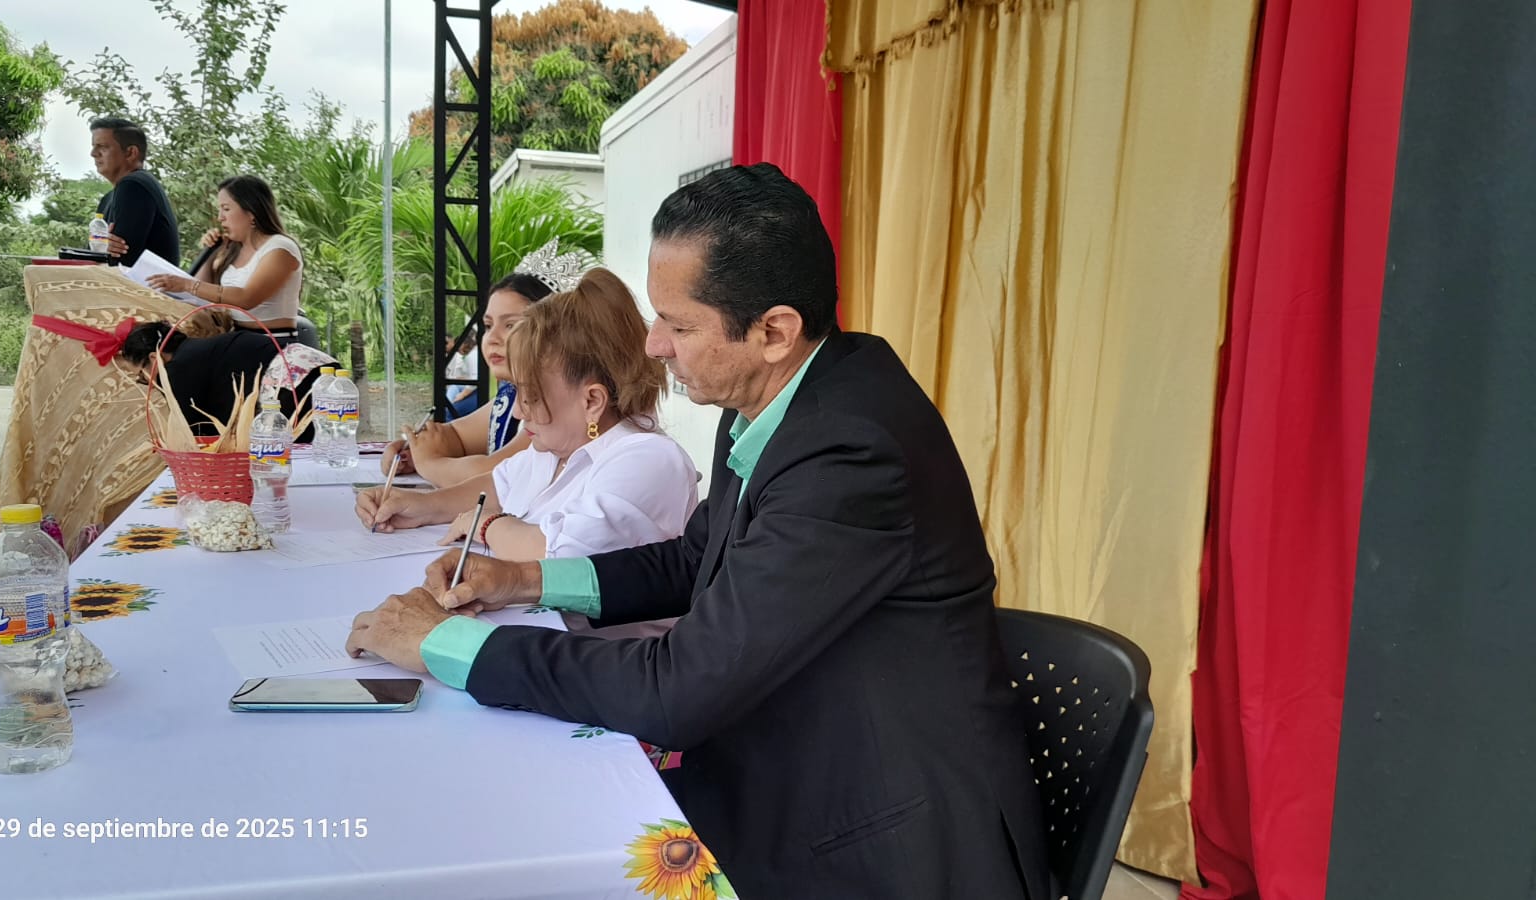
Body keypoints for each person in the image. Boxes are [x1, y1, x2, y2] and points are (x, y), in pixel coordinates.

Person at [343, 164, 1051, 898]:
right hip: (788, 769)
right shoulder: (778, 400)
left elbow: (678, 689)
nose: (653, 345)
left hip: (882, 837)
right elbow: (695, 557)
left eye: (678, 326)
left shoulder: (851, 451)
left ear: (774, 331)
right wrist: (524, 580)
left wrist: (447, 643)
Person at [357, 268, 698, 562]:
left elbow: (560, 553)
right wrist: (418, 506)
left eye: (531, 396)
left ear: (592, 400)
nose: (519, 410)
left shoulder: (648, 458)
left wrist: (486, 525)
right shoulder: (554, 449)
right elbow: (497, 486)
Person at [380, 273, 550, 487]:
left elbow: (497, 476)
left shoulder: (558, 405)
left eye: (510, 325)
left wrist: (429, 464)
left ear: (553, 332)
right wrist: (414, 450)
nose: (492, 338)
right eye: (488, 326)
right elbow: (458, 437)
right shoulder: (511, 396)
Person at [143, 175, 305, 346]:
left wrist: (186, 284)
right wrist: (211, 253)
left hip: (271, 342)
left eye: (226, 209)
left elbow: (246, 298)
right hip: (234, 337)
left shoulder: (280, 248)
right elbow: (202, 296)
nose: (220, 217)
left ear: (251, 212)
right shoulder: (233, 248)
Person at [116, 321, 333, 440]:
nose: (147, 381)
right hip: (319, 366)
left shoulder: (177, 369)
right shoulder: (199, 350)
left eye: (142, 375)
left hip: (291, 382)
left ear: (154, 359)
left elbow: (193, 433)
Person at [89, 117, 180, 266]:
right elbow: (95, 254)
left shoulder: (134, 185)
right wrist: (100, 247)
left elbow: (119, 261)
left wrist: (101, 249)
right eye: (94, 146)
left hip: (143, 281)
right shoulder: (108, 198)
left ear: (131, 152)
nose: (93, 153)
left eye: (103, 147)